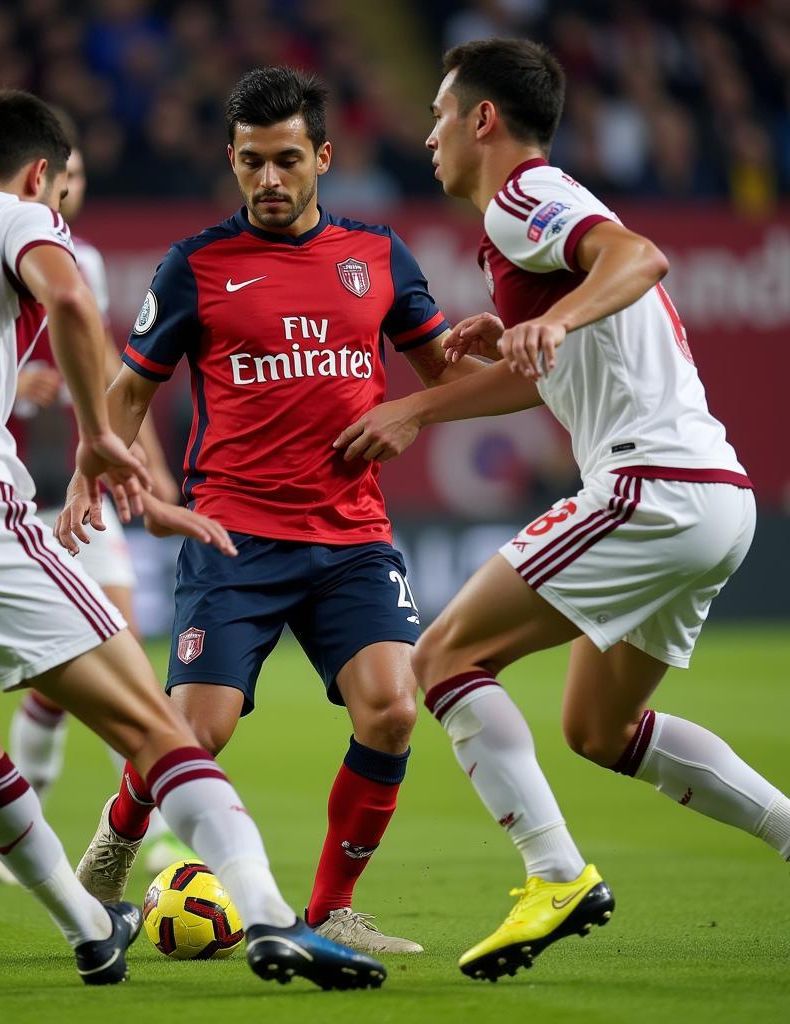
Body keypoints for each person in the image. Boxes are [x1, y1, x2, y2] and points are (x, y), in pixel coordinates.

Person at [0, 88, 385, 991]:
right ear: (41, 174)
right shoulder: (19, 219)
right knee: (154, 726)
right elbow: (71, 299)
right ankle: (275, 919)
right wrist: (99, 438)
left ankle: (86, 925)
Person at [334, 37, 790, 981]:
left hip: (648, 487)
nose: (428, 138)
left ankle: (556, 876)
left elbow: (642, 257)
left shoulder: (522, 196)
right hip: (714, 498)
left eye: (438, 116)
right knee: (599, 730)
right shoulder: (542, 220)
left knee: (443, 656)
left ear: (483, 120)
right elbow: (545, 367)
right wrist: (452, 384)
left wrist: (556, 319)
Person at [56, 66, 481, 955]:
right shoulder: (195, 267)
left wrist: (434, 400)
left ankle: (332, 909)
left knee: (394, 711)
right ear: (233, 161)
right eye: (252, 163)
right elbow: (128, 391)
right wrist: (90, 471)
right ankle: (119, 836)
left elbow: (444, 376)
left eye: (288, 160)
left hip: (353, 534)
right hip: (232, 536)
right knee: (195, 731)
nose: (270, 181)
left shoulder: (377, 257)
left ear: (323, 156)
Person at [0, 115, 194, 886]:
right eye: (63, 178)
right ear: (39, 177)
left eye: (81, 182)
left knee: (120, 648)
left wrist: (146, 456)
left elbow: (110, 363)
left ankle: (156, 830)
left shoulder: (82, 262)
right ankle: (30, 813)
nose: (72, 193)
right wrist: (12, 388)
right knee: (59, 669)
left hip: (76, 481)